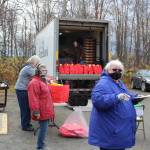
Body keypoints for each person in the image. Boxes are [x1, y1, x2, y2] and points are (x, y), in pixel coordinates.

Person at [88, 59, 144, 150]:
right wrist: (116, 97)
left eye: (120, 70)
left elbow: (126, 96)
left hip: (119, 131)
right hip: (110, 131)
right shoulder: (103, 83)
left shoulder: (118, 82)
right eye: (114, 70)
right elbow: (98, 101)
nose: (117, 72)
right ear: (107, 70)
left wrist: (135, 98)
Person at [27, 64, 55, 150]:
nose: (45, 71)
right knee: (44, 129)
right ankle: (40, 146)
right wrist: (36, 111)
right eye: (43, 69)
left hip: (46, 108)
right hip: (41, 109)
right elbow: (33, 99)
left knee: (44, 129)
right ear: (38, 71)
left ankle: (41, 145)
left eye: (45, 69)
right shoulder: (34, 82)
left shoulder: (43, 80)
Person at [15, 55, 41, 131]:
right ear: (35, 62)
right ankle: (25, 126)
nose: (38, 64)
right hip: (22, 90)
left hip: (21, 89)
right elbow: (38, 76)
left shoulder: (28, 67)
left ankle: (24, 123)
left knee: (25, 108)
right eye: (38, 63)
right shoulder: (29, 68)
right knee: (25, 108)